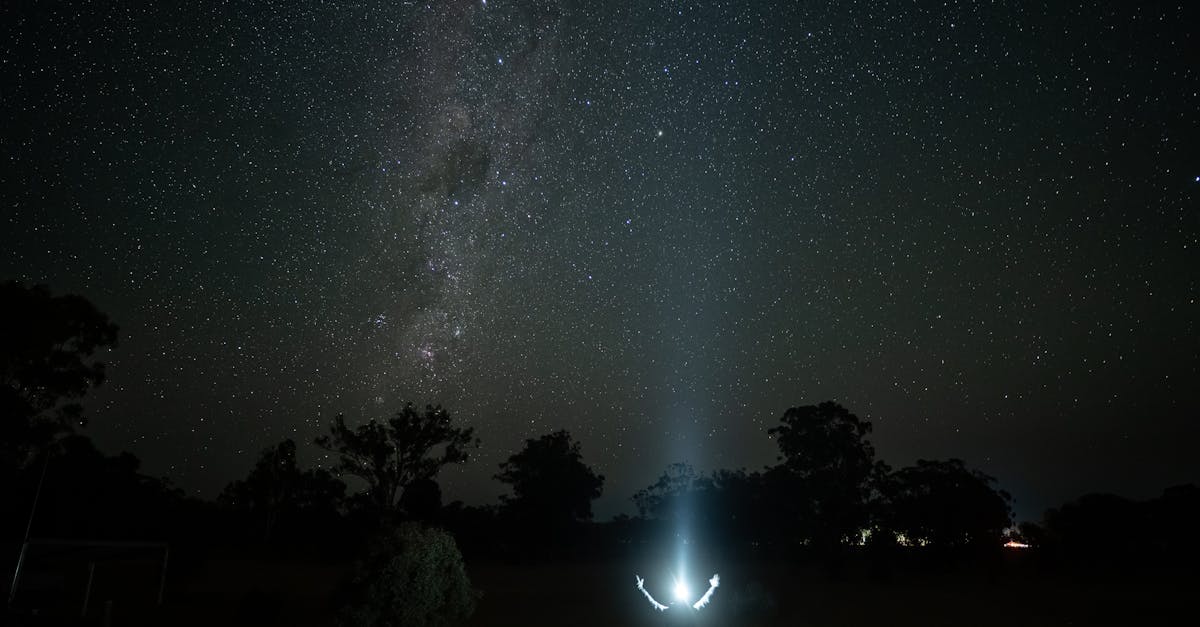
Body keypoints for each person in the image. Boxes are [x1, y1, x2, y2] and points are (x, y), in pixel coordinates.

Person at [635, 573, 719, 611]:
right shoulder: (693, 611)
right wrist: (713, 587)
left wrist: (641, 589)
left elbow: (652, 603)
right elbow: (706, 600)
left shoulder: (667, 612)